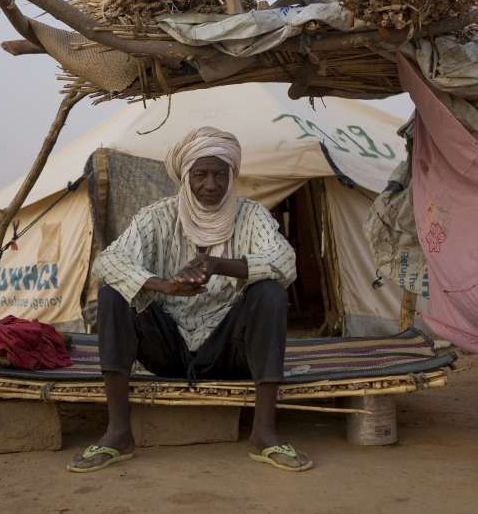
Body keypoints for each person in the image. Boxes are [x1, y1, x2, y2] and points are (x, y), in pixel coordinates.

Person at [67, 127, 312, 473]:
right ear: (185, 176)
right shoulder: (158, 216)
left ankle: (264, 434)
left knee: (269, 290)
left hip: (229, 349)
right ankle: (118, 432)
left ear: (232, 175)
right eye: (200, 174)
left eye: (219, 174)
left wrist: (217, 265)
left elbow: (285, 262)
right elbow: (107, 262)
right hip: (168, 348)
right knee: (113, 291)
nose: (210, 184)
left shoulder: (251, 215)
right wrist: (163, 286)